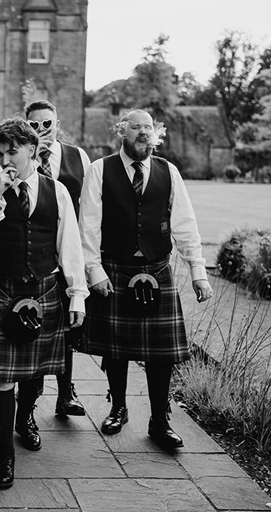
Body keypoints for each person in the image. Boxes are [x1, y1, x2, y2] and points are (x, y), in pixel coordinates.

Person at [79, 109, 213, 449]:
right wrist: (94, 271)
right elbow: (88, 226)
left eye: (148, 127)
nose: (143, 132)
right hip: (115, 269)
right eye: (136, 126)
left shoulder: (168, 171)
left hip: (156, 268)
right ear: (122, 132)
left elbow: (185, 223)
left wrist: (198, 271)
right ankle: (118, 407)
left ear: (156, 133)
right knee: (117, 348)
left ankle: (159, 421)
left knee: (161, 354)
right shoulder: (100, 169)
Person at [0, 117, 88, 489]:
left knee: (36, 370)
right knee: (3, 376)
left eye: (13, 151)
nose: (5, 159)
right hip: (1, 288)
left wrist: (77, 293)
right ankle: (5, 453)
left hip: (44, 288)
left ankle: (25, 419)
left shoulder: (58, 191)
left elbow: (69, 245)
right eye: (0, 153)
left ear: (33, 150)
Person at [25, 100, 92, 417]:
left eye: (46, 124)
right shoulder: (23, 159)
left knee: (69, 324)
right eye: (34, 125)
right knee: (36, 325)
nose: (41, 131)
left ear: (57, 124)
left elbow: (92, 207)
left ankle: (66, 392)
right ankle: (31, 396)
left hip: (72, 249)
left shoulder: (78, 157)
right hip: (35, 252)